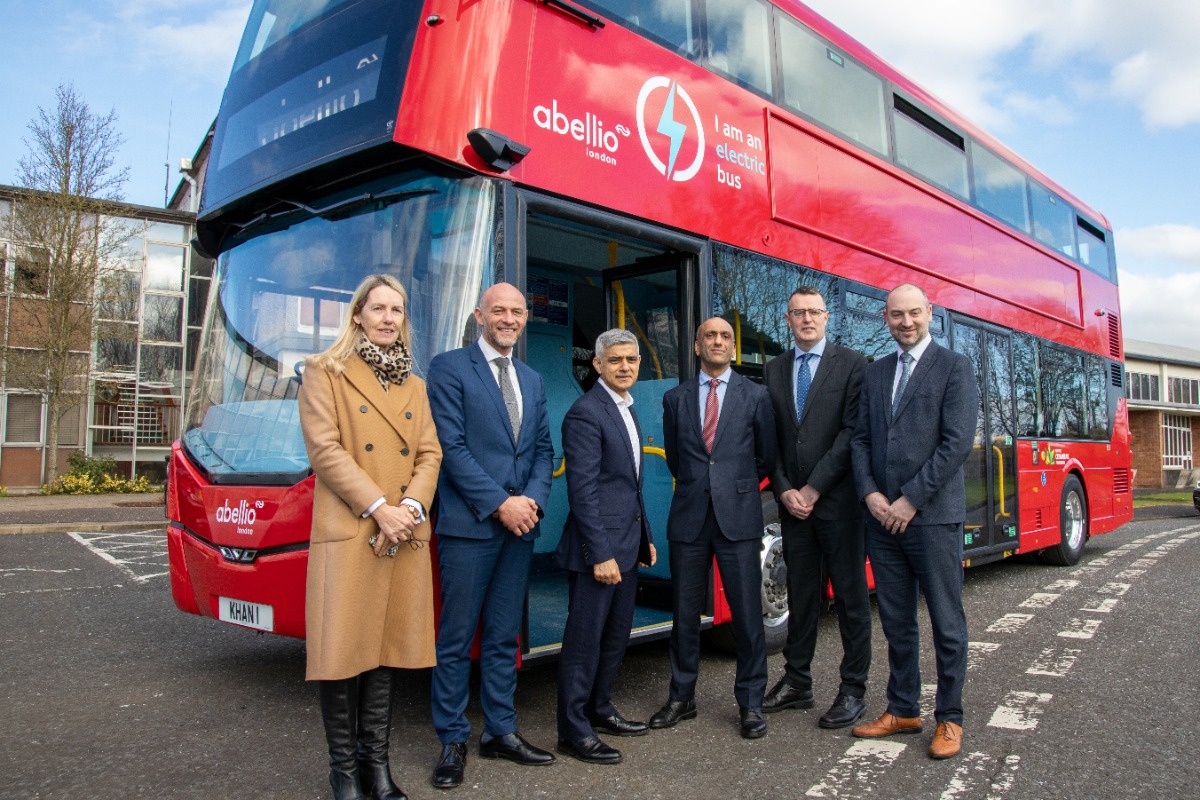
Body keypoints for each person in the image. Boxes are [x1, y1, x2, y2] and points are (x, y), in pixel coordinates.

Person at [298, 274, 443, 800]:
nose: (388, 318)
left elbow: (430, 453)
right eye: (378, 308)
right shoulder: (325, 372)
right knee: (343, 654)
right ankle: (344, 773)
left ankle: (374, 767)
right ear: (357, 313)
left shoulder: (416, 385)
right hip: (353, 529)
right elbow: (325, 451)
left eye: (397, 310)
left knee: (386, 652)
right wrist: (380, 507)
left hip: (401, 530)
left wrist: (409, 507)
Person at [426, 282, 556, 789]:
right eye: (498, 310)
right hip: (470, 527)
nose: (508, 318)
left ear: (526, 318)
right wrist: (501, 503)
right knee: (457, 638)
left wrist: (533, 502)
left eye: (517, 311)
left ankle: (500, 731)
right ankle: (452, 739)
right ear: (480, 315)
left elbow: (543, 450)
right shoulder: (450, 367)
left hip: (519, 526)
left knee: (504, 636)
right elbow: (450, 448)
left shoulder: (532, 377)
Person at [849, 283, 978, 760]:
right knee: (897, 622)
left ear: (930, 314)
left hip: (932, 518)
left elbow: (957, 442)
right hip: (882, 519)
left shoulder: (954, 368)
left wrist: (911, 500)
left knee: (947, 622)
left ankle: (950, 718)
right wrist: (872, 495)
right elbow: (860, 441)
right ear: (885, 318)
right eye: (896, 315)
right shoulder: (877, 372)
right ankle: (903, 708)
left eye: (914, 313)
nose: (906, 322)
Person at [650, 317, 777, 739]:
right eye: (710, 336)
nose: (718, 342)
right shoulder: (675, 399)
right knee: (684, 615)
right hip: (688, 518)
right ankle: (681, 698)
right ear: (697, 345)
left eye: (725, 337)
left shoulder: (756, 396)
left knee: (745, 615)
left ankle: (751, 702)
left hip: (738, 518)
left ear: (732, 348)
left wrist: (730, 487)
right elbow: (676, 458)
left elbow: (764, 457)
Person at [761, 287, 871, 729]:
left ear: (826, 318)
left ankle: (853, 689)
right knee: (802, 596)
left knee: (850, 599)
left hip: (839, 504)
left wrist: (813, 489)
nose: (806, 319)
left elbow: (851, 433)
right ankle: (797, 682)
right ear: (787, 320)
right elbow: (770, 436)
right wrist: (785, 489)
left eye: (814, 312)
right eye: (798, 313)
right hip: (793, 506)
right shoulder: (773, 369)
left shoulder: (853, 365)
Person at [555, 329, 657, 765]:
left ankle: (600, 709)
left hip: (627, 544)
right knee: (584, 642)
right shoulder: (585, 413)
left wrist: (646, 539)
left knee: (615, 637)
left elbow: (629, 486)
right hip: (598, 551)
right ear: (597, 364)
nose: (625, 367)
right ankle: (573, 730)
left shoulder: (627, 410)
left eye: (632, 360)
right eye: (615, 360)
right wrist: (601, 555)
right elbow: (583, 493)